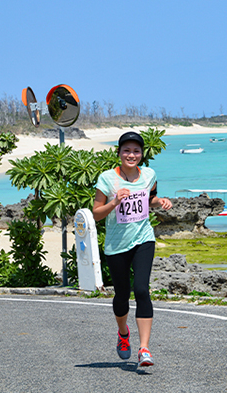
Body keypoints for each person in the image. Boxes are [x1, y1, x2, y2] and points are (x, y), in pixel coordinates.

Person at [92, 131, 172, 367]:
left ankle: (144, 349)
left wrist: (161, 201)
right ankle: (123, 334)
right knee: (122, 295)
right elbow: (96, 213)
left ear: (141, 154)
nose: (131, 155)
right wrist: (114, 201)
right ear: (119, 153)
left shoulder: (149, 174)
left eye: (136, 151)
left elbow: (149, 199)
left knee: (142, 290)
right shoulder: (107, 179)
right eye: (126, 150)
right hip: (116, 245)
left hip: (143, 239)